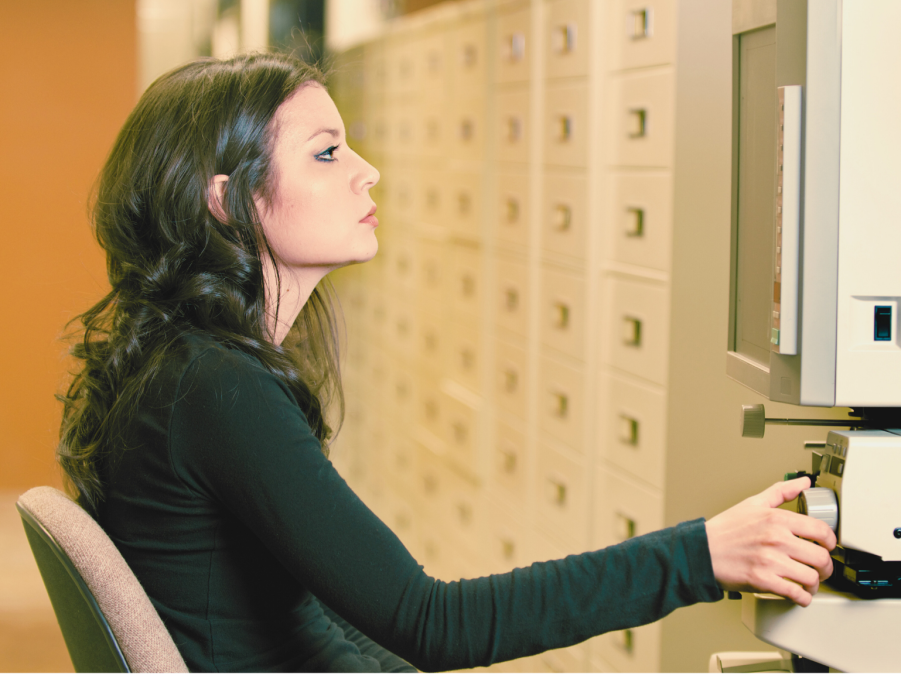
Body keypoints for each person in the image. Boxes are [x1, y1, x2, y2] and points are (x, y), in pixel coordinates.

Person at [57, 53, 835, 674]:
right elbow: (432, 623)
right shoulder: (215, 388)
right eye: (327, 154)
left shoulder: (188, 368)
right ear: (225, 200)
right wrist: (702, 554)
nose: (369, 171)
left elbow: (315, 618)